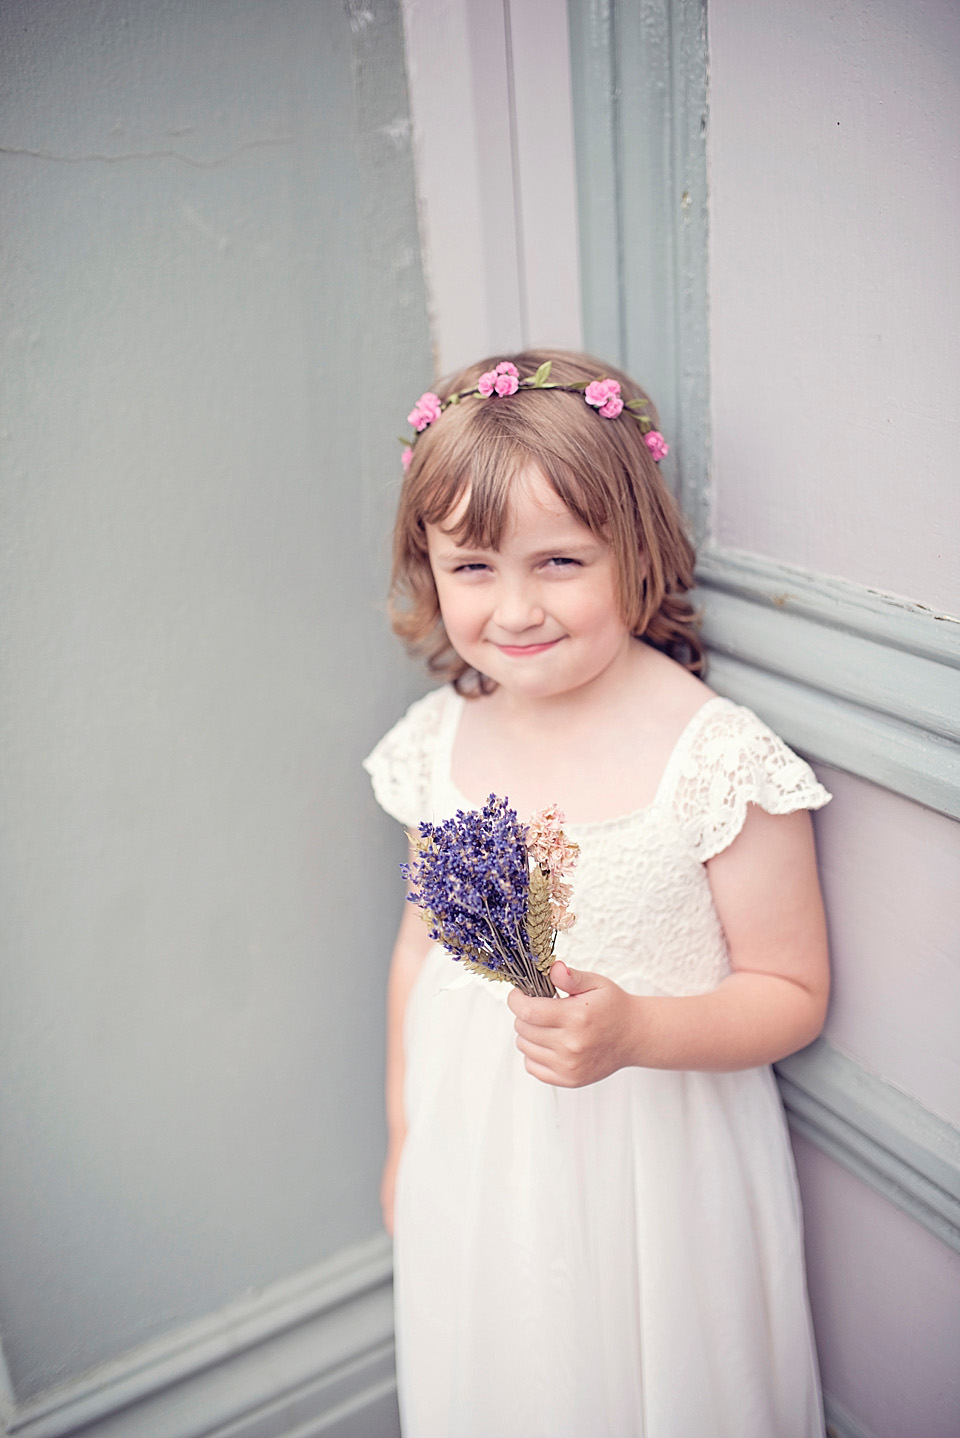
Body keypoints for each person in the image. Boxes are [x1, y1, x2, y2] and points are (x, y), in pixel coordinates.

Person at [363, 349, 830, 1438]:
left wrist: (634, 1029)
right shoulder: (442, 741)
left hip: (651, 1173)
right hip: (476, 1158)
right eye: (473, 566)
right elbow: (417, 954)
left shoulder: (711, 760)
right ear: (427, 565)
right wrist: (402, 1141)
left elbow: (792, 988)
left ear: (638, 550)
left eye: (560, 560)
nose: (515, 607)